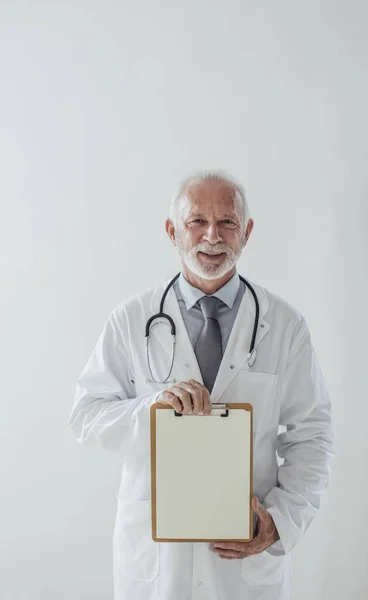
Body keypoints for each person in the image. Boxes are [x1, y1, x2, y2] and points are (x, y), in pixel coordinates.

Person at [68, 170, 334, 600]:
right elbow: (85, 417)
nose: (212, 236)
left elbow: (313, 436)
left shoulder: (284, 325)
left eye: (227, 222)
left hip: (245, 561)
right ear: (173, 231)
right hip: (157, 560)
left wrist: (280, 521)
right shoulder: (131, 319)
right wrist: (149, 410)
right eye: (197, 221)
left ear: (246, 232)